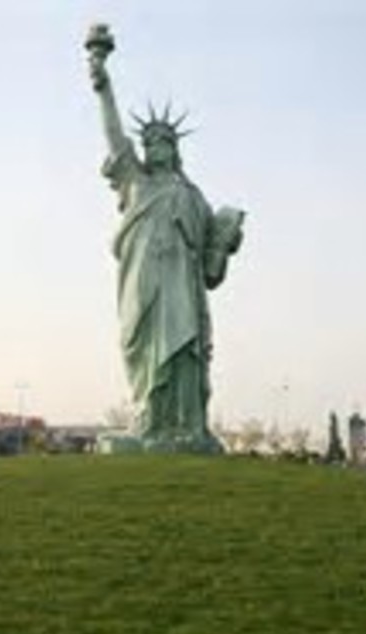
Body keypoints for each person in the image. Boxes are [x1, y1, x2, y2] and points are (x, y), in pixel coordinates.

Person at [88, 27, 243, 452]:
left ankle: (185, 428)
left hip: (182, 288)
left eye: (164, 142)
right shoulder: (134, 181)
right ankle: (148, 422)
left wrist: (227, 241)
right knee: (137, 346)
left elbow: (211, 272)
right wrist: (102, 82)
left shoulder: (193, 197)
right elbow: (114, 134)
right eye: (150, 142)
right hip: (142, 284)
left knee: (184, 352)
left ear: (176, 149)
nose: (156, 148)